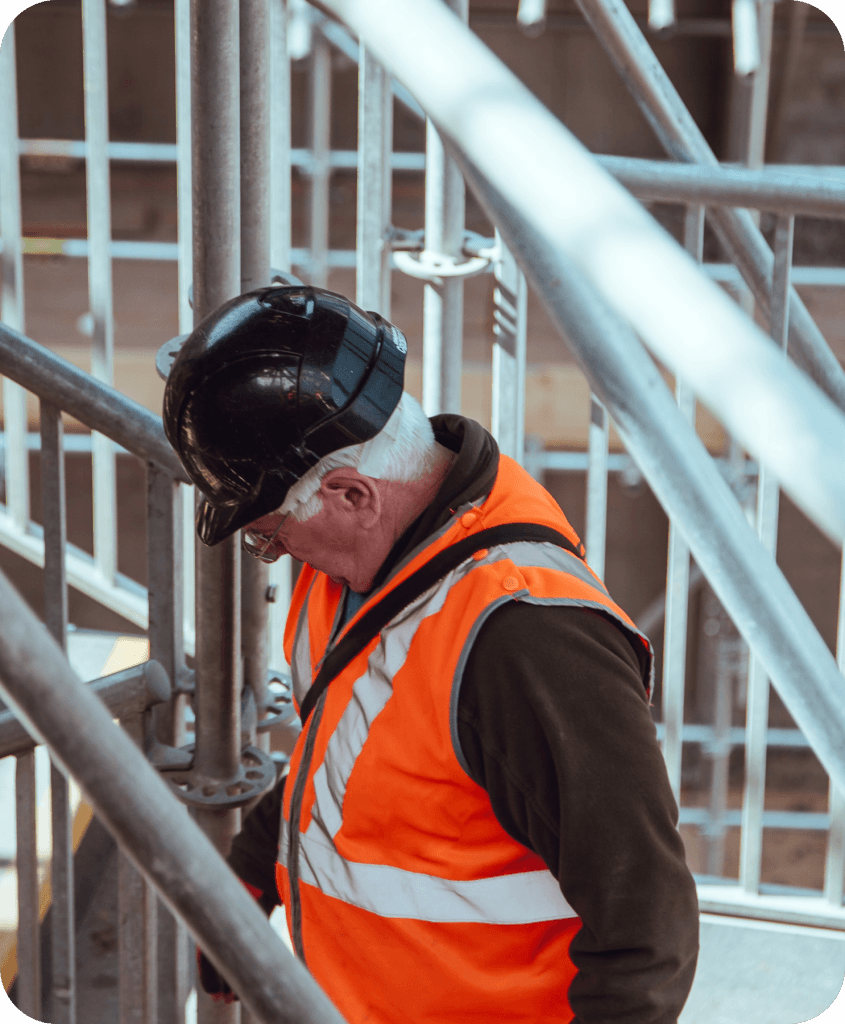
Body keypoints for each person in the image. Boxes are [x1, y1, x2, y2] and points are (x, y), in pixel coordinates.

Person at [164, 283, 699, 1024]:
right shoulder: (357, 576)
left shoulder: (525, 637)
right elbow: (350, 755)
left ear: (350, 493)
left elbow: (646, 925)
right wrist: (252, 876)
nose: (273, 550)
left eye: (266, 532)